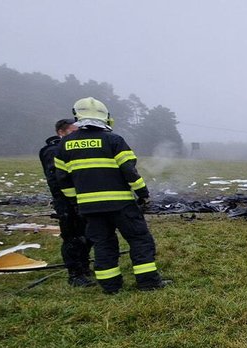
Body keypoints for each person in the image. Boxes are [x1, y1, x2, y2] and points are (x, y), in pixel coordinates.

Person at [54, 97, 165, 294]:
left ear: (77, 117)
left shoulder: (65, 145)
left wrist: (77, 201)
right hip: (121, 204)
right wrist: (142, 193)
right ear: (105, 118)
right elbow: (129, 171)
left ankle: (111, 287)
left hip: (90, 208)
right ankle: (148, 283)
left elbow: (62, 180)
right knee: (140, 240)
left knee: (103, 244)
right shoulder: (114, 140)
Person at [39, 118, 95, 287]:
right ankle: (75, 275)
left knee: (87, 235)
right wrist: (69, 201)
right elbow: (56, 180)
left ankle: (84, 267)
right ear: (61, 132)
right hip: (66, 201)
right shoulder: (53, 151)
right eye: (72, 132)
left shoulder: (71, 148)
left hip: (82, 199)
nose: (76, 136)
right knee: (72, 237)